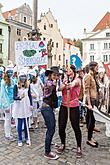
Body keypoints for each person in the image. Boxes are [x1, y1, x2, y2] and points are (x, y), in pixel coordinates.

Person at [57, 65, 82, 158]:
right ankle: (63, 144)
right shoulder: (64, 79)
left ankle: (79, 147)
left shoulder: (78, 79)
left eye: (70, 71)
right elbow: (60, 89)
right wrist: (64, 83)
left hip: (73, 106)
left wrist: (70, 84)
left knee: (76, 127)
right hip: (64, 105)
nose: (69, 72)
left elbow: (74, 84)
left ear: (74, 71)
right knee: (61, 126)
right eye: (67, 71)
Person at [41, 66, 59, 160]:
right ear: (50, 75)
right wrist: (55, 85)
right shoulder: (50, 83)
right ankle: (47, 152)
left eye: (57, 75)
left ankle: (49, 142)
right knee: (51, 129)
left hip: (48, 108)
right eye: (54, 75)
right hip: (46, 108)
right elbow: (52, 89)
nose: (56, 77)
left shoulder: (51, 82)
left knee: (50, 128)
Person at [13, 69, 33, 146]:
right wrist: (19, 97)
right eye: (21, 76)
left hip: (26, 105)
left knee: (26, 123)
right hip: (19, 106)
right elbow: (14, 97)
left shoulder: (28, 85)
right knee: (20, 123)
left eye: (24, 76)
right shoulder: (16, 85)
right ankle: (20, 139)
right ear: (19, 77)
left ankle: (27, 138)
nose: (23, 78)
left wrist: (31, 105)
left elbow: (30, 96)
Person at [83, 62, 99, 147]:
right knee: (91, 120)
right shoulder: (88, 76)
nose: (97, 68)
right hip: (90, 101)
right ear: (92, 67)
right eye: (97, 67)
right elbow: (87, 91)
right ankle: (89, 139)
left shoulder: (93, 76)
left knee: (92, 121)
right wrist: (89, 104)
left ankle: (90, 137)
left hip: (94, 101)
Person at [1, 66, 16, 141]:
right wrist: (5, 105)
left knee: (10, 119)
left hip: (13, 102)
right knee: (7, 119)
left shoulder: (13, 80)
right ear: (6, 73)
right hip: (7, 103)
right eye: (8, 72)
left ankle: (9, 132)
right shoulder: (3, 82)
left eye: (11, 72)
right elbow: (2, 95)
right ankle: (7, 135)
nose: (10, 73)